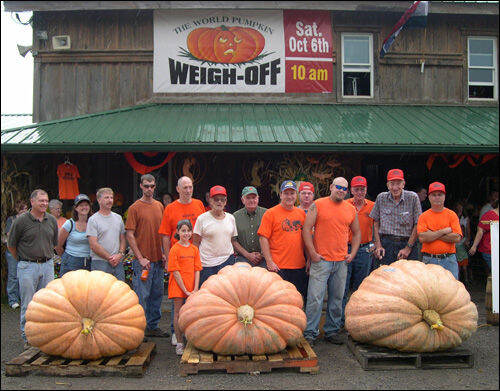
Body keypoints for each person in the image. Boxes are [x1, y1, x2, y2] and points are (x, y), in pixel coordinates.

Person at [302, 177, 361, 346]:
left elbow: (357, 233)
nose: (341, 190)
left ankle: (332, 331)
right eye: (338, 187)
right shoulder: (318, 204)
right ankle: (310, 333)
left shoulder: (350, 209)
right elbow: (306, 229)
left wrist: (353, 253)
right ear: (331, 187)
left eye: (344, 188)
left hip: (341, 261)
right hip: (321, 261)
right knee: (315, 298)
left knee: (337, 298)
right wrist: (312, 253)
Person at [7, 189, 58, 350]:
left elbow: (54, 242)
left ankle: (45, 335)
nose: (44, 203)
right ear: (32, 202)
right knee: (29, 303)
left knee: (47, 302)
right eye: (41, 201)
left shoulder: (51, 220)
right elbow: (11, 245)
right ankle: (27, 336)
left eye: (46, 201)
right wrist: (23, 261)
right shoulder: (21, 221)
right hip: (27, 265)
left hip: (47, 264)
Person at [158, 176, 205, 346]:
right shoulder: (170, 208)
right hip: (177, 257)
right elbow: (164, 234)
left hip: (193, 256)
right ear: (177, 189)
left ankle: (192, 331)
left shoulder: (199, 205)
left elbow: (201, 230)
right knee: (177, 298)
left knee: (193, 297)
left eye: (190, 187)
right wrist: (167, 255)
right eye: (184, 187)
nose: (187, 190)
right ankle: (175, 331)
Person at [126, 174, 169, 338]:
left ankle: (152, 326)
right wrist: (140, 258)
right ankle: (139, 329)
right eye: (146, 186)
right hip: (143, 262)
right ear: (141, 187)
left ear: (155, 187)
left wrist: (164, 253)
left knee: (157, 295)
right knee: (141, 296)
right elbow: (130, 235)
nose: (149, 189)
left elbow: (163, 232)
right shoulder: (135, 208)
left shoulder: (159, 206)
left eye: (152, 186)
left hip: (158, 260)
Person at [258, 180, 308, 302]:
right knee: (279, 301)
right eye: (286, 193)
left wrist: (309, 260)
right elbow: (263, 238)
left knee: (298, 299)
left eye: (292, 193)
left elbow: (306, 238)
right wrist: (269, 261)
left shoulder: (301, 213)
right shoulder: (270, 213)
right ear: (280, 194)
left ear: (296, 195)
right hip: (278, 267)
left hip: (299, 266)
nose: (289, 196)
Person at [341, 176, 374, 329]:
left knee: (361, 287)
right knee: (343, 286)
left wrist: (375, 244)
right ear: (351, 190)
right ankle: (340, 321)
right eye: (356, 189)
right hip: (345, 248)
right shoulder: (344, 204)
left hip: (364, 249)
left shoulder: (373, 206)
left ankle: (358, 321)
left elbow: (377, 227)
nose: (359, 192)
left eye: (362, 189)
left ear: (366, 190)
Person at [370, 169, 421, 266]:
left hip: (407, 243)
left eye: (398, 183)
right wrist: (378, 245)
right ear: (387, 185)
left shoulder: (413, 198)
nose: (395, 187)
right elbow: (375, 223)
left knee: (408, 277)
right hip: (386, 244)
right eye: (392, 183)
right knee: (384, 277)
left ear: (403, 184)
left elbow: (417, 224)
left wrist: (408, 248)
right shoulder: (381, 198)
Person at [167, 219, 202, 356]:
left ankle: (192, 340)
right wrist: (185, 290)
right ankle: (180, 342)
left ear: (191, 232)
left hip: (191, 285)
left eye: (188, 231)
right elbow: (175, 271)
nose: (186, 233)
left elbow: (197, 269)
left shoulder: (194, 249)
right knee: (178, 313)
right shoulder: (174, 249)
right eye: (183, 231)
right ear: (177, 232)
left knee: (192, 313)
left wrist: (195, 288)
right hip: (178, 286)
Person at [193, 185, 237, 286]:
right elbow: (195, 242)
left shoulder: (231, 218)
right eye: (216, 199)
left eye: (222, 200)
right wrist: (195, 263)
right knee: (208, 295)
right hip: (207, 264)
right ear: (210, 200)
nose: (219, 202)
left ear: (226, 202)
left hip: (227, 262)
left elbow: (232, 240)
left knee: (227, 293)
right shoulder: (201, 219)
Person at [417, 182, 462, 279]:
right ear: (429, 197)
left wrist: (432, 234)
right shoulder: (423, 216)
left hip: (448, 260)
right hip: (429, 260)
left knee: (451, 291)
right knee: (430, 291)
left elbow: (457, 238)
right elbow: (422, 238)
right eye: (434, 195)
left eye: (440, 195)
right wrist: (444, 231)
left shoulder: (452, 215)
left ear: (444, 196)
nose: (437, 197)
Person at [87, 187, 127, 281]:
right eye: (106, 198)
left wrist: (120, 254)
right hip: (100, 262)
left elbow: (123, 239)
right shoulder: (93, 220)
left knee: (119, 291)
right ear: (99, 200)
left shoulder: (118, 218)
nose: (110, 200)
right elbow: (93, 244)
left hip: (118, 262)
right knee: (100, 292)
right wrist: (109, 258)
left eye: (111, 198)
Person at [55, 194, 92, 276]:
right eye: (81, 205)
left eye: (86, 205)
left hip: (89, 261)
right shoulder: (69, 224)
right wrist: (66, 259)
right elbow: (58, 246)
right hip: (71, 261)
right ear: (76, 208)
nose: (84, 207)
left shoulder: (93, 223)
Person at [233, 186, 267, 267]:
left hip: (263, 258)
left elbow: (272, 237)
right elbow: (234, 240)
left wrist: (262, 255)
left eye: (254, 197)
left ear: (258, 198)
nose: (251, 200)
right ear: (242, 200)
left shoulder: (267, 214)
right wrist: (247, 255)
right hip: (243, 258)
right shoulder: (235, 216)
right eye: (248, 198)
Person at [4, 200, 28, 309]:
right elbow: (9, 234)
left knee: (24, 275)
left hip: (25, 251)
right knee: (13, 275)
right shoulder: (11, 220)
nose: (24, 211)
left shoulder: (29, 220)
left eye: (26, 209)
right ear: (18, 210)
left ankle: (23, 298)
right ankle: (12, 299)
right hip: (12, 251)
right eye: (22, 209)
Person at [469, 199, 499, 274]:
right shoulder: (489, 215)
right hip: (489, 250)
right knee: (496, 272)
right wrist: (474, 246)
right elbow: (480, 231)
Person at [454, 201, 472, 286]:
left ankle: (466, 280)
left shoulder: (465, 218)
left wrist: (467, 240)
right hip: (455, 243)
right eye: (458, 207)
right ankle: (458, 281)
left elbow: (468, 231)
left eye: (461, 207)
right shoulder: (453, 217)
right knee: (457, 265)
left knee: (464, 265)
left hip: (463, 242)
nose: (459, 209)